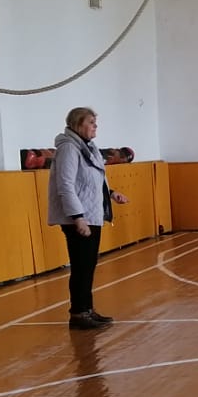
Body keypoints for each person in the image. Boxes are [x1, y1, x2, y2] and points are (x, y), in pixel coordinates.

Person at [47, 107, 129, 330]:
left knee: (88, 265)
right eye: (91, 122)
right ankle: (79, 313)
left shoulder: (88, 147)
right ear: (77, 124)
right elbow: (66, 185)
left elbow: (93, 179)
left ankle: (86, 309)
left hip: (91, 213)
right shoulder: (69, 149)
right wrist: (78, 217)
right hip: (78, 218)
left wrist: (111, 194)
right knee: (81, 266)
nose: (95, 126)